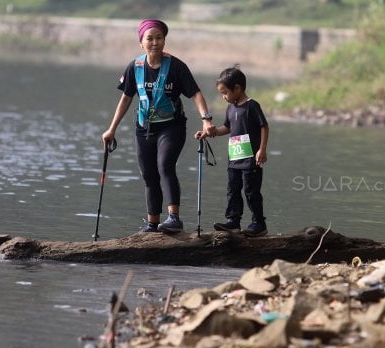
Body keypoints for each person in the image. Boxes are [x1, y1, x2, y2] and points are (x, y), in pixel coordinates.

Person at [102, 19, 213, 234]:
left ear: (164, 40)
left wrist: (206, 118)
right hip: (144, 128)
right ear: (141, 43)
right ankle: (152, 223)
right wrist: (111, 129)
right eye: (149, 38)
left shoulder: (177, 66)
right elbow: (126, 99)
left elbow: (195, 94)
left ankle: (174, 218)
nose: (155, 42)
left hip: (172, 127)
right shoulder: (135, 67)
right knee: (148, 174)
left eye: (159, 38)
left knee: (165, 166)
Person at [196, 66, 269, 237]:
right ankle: (233, 221)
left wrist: (262, 149)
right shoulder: (231, 108)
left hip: (251, 159)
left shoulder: (252, 106)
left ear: (237, 88)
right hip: (235, 158)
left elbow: (264, 126)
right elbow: (227, 128)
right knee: (232, 189)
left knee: (251, 190)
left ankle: (259, 223)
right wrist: (208, 133)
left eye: (225, 93)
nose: (223, 97)